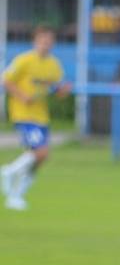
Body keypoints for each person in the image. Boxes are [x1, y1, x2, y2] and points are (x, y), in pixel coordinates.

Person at [1, 25, 71, 211]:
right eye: (43, 40)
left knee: (39, 160)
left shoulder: (53, 65)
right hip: (23, 114)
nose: (46, 44)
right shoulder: (24, 60)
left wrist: (62, 91)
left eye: (49, 41)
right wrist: (22, 95)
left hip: (41, 116)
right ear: (35, 41)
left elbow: (56, 88)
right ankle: (8, 171)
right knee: (42, 152)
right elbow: (5, 80)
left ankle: (16, 195)